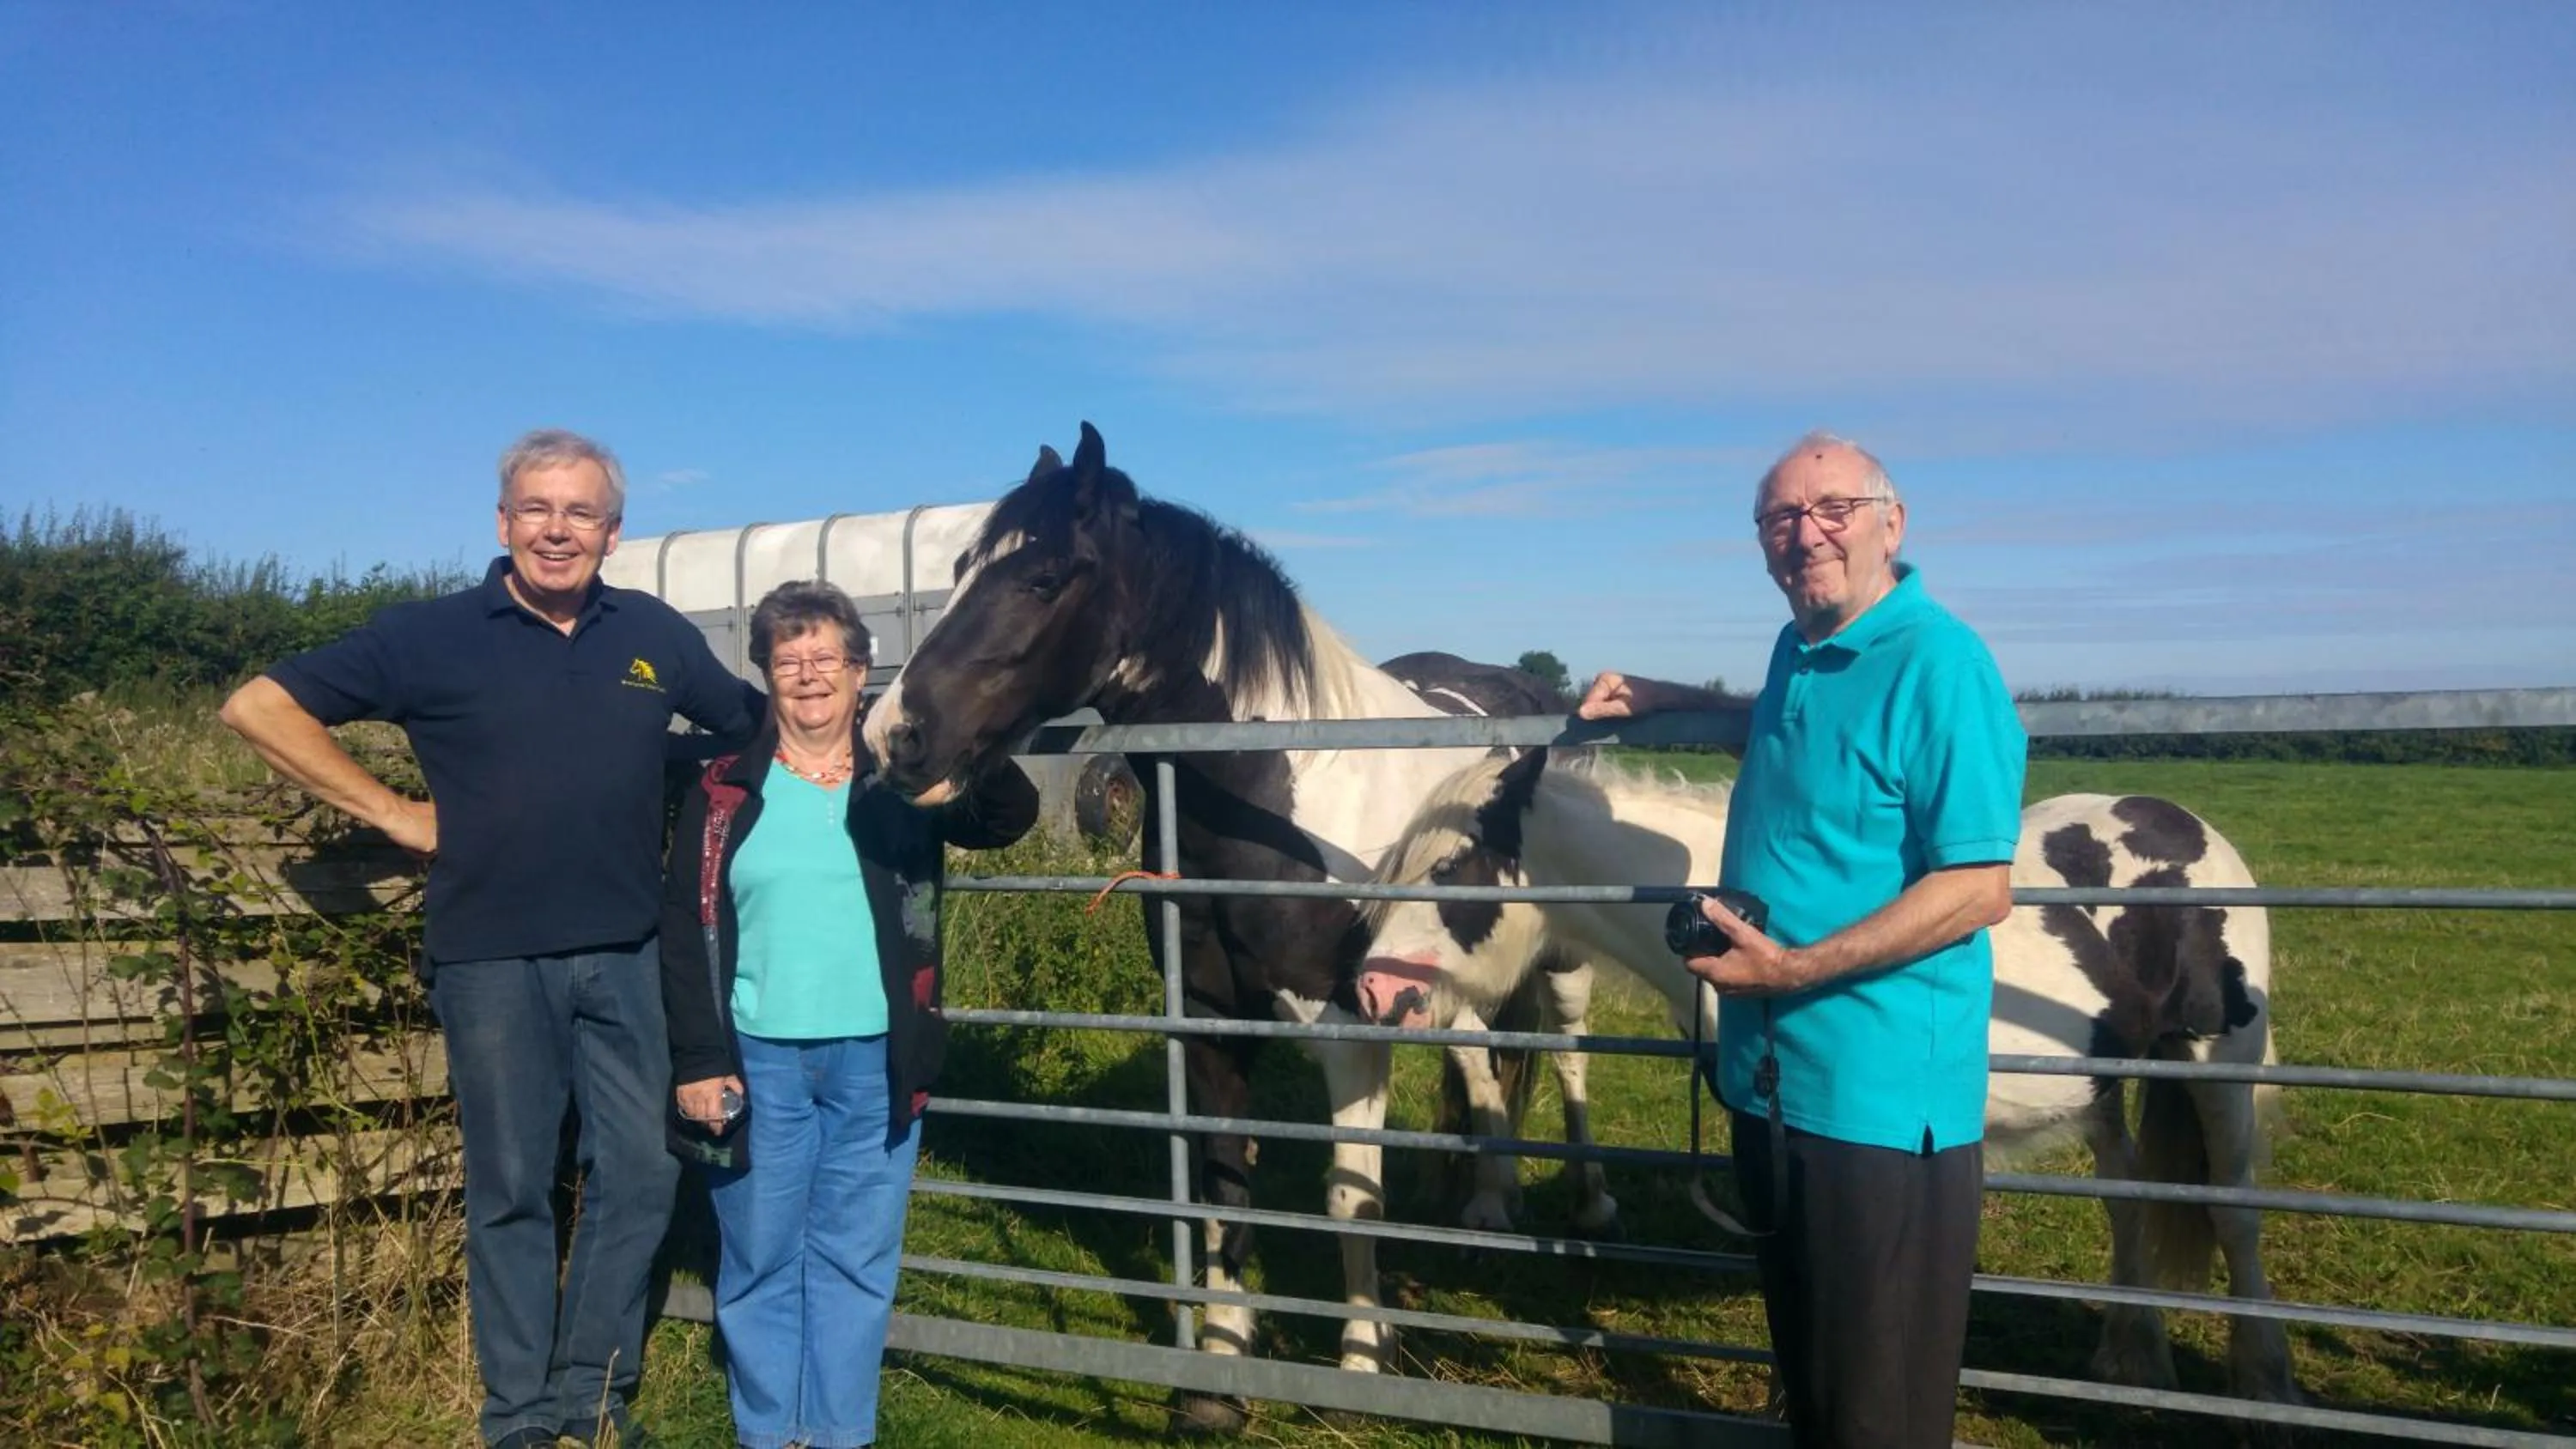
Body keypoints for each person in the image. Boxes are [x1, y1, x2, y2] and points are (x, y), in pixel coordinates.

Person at [221, 429, 764, 1449]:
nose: (558, 530)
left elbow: (752, 728)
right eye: (538, 509)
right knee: (513, 1185)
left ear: (612, 530)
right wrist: (393, 811)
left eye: (581, 513)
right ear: (503, 519)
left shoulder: (652, 634)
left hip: (628, 948)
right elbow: (259, 706)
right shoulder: (429, 634)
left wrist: (872, 737)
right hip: (491, 957)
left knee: (643, 1173)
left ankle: (592, 1395)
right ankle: (516, 1414)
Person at [1577, 431, 2026, 1449]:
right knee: (1816, 1379)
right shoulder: (1805, 648)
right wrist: (1665, 694)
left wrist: (1792, 969)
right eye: (1779, 518)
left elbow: (1977, 888)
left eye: (1832, 509)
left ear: (1891, 523)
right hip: (1777, 1082)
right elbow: (1783, 721)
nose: (1803, 534)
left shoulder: (1941, 663)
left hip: (1876, 1100)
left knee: (1878, 1405)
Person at [661, 580, 1036, 1449]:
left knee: (855, 1255)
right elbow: (683, 924)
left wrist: (959, 721)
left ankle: (836, 1430)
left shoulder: (901, 783)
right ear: (764, 672)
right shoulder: (723, 792)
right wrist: (696, 1055)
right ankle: (769, 1428)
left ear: (862, 670)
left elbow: (1010, 814)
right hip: (754, 1059)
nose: (808, 674)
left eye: (827, 656)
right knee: (759, 1252)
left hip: (879, 1057)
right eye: (788, 659)